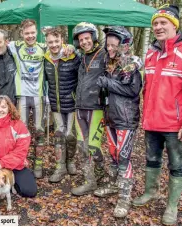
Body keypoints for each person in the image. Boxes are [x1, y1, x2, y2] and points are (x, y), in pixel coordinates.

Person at [0, 19, 74, 179]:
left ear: (36, 33)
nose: (30, 36)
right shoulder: (15, 46)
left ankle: (38, 164)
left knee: (39, 130)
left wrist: (69, 47)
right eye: (27, 33)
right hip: (21, 96)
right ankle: (20, 161)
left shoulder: (43, 47)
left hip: (38, 96)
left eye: (32, 33)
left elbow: (57, 46)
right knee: (20, 132)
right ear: (22, 33)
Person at [132, 5, 182, 225]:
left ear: (174, 25)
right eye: (155, 23)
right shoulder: (151, 53)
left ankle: (172, 205)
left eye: (163, 23)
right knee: (151, 160)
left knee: (176, 164)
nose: (158, 27)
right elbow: (147, 87)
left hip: (174, 124)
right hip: (152, 122)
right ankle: (151, 191)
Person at [94, 26, 142, 218]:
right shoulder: (108, 61)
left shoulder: (131, 64)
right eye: (108, 44)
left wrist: (107, 83)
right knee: (113, 153)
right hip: (110, 115)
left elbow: (132, 90)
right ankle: (115, 184)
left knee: (123, 156)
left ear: (124, 44)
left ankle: (124, 196)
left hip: (126, 118)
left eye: (114, 45)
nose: (110, 48)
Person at [70, 22, 106, 196]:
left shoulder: (104, 54)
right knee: (81, 146)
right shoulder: (81, 56)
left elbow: (128, 61)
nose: (84, 42)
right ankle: (89, 180)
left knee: (93, 146)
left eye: (87, 38)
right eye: (81, 40)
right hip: (79, 106)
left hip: (96, 107)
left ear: (93, 37)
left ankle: (101, 172)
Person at [44, 27, 80, 183]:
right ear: (46, 42)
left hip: (71, 103)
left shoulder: (72, 56)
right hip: (55, 103)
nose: (53, 45)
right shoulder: (45, 58)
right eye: (50, 42)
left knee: (70, 135)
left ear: (62, 41)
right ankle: (60, 167)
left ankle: (70, 161)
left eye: (56, 41)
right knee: (59, 135)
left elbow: (82, 75)